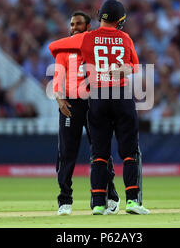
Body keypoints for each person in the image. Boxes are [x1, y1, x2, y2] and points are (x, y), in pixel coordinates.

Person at [80, 0, 149, 215]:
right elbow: (133, 68)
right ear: (120, 20)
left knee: (99, 153)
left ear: (100, 16)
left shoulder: (87, 39)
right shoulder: (125, 38)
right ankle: (132, 202)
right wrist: (119, 70)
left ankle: (99, 203)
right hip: (121, 95)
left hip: (98, 97)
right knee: (130, 152)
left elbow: (81, 64)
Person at [48, 11, 120, 216]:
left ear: (88, 27)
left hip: (94, 103)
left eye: (78, 24)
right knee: (66, 152)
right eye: (71, 24)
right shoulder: (63, 50)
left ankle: (110, 196)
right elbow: (57, 77)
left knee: (100, 152)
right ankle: (65, 200)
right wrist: (60, 99)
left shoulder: (96, 48)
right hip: (70, 104)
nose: (74, 28)